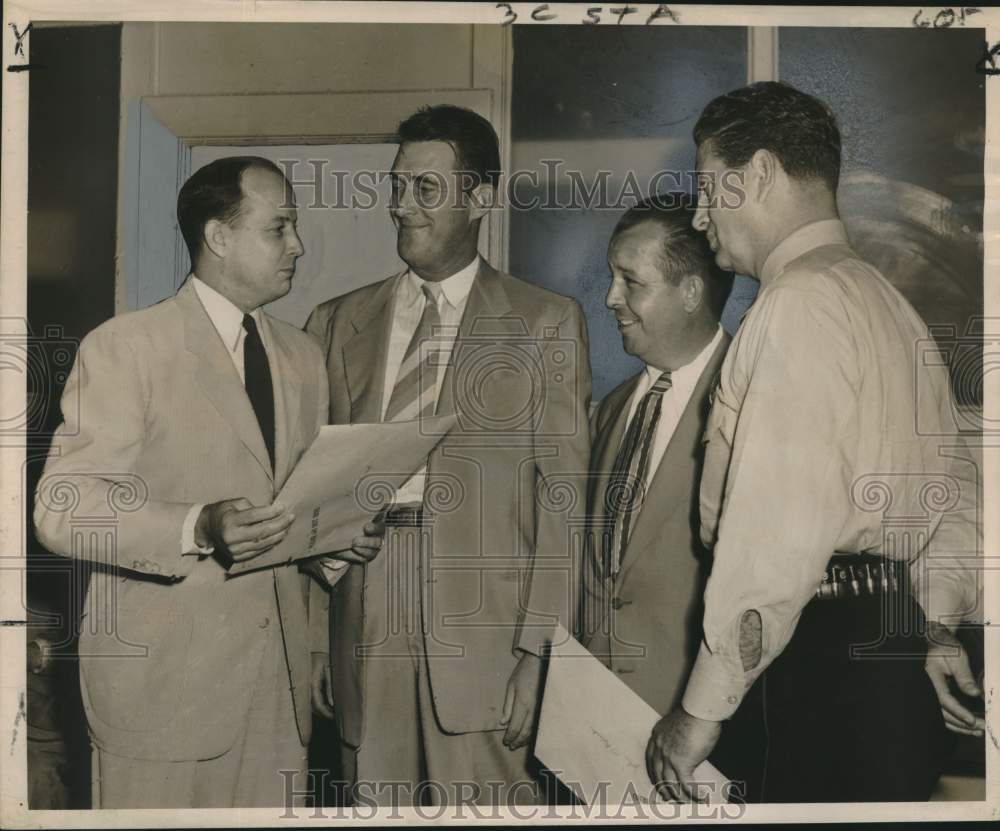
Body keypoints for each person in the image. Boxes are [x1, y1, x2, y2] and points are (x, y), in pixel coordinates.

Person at [644, 82, 983, 803]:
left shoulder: (796, 303)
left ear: (759, 173)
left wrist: (702, 710)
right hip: (893, 656)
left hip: (812, 662)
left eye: (708, 187)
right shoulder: (893, 307)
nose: (700, 215)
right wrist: (939, 623)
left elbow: (776, 534)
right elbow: (958, 490)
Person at [33, 156, 381, 808]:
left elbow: (288, 507)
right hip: (161, 692)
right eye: (279, 227)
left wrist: (327, 544)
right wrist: (195, 525)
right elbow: (63, 506)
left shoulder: (303, 358)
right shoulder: (127, 347)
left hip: (278, 699)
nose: (298, 245)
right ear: (219, 237)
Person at [306, 104, 592, 806]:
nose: (403, 206)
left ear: (481, 199)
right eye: (397, 187)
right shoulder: (336, 322)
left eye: (426, 189)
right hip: (365, 610)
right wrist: (318, 633)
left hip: (486, 631)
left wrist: (538, 651)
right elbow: (309, 494)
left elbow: (563, 502)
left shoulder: (543, 322)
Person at [580, 195, 731, 724]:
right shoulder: (613, 410)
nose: (610, 298)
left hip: (699, 727)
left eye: (631, 282)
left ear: (690, 292)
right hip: (593, 721)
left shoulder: (752, 403)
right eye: (611, 278)